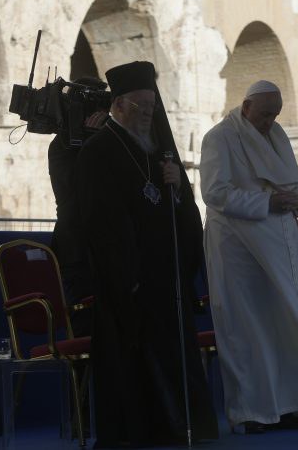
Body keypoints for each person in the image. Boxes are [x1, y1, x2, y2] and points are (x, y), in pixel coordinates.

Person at [200, 80, 298, 433]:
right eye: (265, 114)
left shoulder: (279, 135)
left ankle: (289, 404)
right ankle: (253, 410)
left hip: (281, 242)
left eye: (275, 114)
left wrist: (296, 199)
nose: (270, 121)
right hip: (238, 249)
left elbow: (297, 183)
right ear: (245, 107)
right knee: (248, 328)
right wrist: (267, 202)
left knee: (286, 324)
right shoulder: (220, 137)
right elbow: (214, 192)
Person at [76, 61, 218, 448]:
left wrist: (175, 188)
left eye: (151, 107)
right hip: (129, 278)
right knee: (132, 362)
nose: (146, 114)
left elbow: (180, 214)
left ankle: (178, 427)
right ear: (118, 105)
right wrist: (128, 273)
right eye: (139, 106)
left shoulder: (160, 154)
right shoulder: (99, 151)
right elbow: (101, 221)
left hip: (166, 276)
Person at [48, 77, 109, 337]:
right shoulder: (63, 144)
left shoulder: (107, 142)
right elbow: (76, 191)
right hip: (78, 249)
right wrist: (93, 142)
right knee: (86, 328)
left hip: (107, 247)